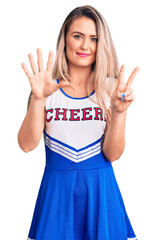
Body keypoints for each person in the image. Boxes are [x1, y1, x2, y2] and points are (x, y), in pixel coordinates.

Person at [18, 5, 139, 240]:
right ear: (65, 39)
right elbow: (26, 144)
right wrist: (38, 98)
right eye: (78, 36)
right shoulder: (46, 88)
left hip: (101, 195)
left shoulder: (113, 89)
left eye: (94, 38)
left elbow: (112, 154)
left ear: (101, 44)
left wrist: (119, 112)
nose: (85, 46)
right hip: (56, 196)